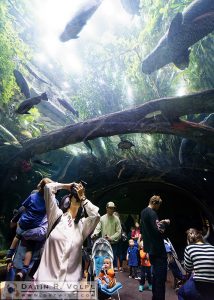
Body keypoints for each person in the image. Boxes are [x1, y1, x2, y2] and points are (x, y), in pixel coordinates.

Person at [34, 181, 100, 290]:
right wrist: (67, 186)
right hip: (45, 284)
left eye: (79, 199)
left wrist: (83, 198)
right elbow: (48, 188)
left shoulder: (83, 225)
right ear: (67, 201)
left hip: (69, 289)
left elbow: (96, 216)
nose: (77, 200)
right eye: (75, 197)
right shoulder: (56, 216)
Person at [6, 178, 53, 280]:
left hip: (23, 225)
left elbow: (22, 208)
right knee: (29, 248)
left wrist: (15, 221)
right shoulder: (47, 203)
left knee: (17, 237)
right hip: (33, 228)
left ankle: (9, 255)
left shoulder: (32, 197)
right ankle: (24, 270)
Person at [141, 195, 170, 300]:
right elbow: (159, 231)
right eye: (159, 205)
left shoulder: (143, 212)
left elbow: (151, 229)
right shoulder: (152, 213)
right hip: (158, 250)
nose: (159, 208)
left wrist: (160, 222)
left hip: (150, 249)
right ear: (155, 203)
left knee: (155, 276)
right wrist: (165, 223)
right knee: (160, 279)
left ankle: (155, 297)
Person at [177, 228, 214, 300]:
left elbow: (188, 268)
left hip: (199, 284)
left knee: (181, 292)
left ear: (188, 240)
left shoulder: (189, 248)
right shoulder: (212, 247)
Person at [92, 201, 121, 270]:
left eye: (113, 208)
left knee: (111, 261)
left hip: (113, 244)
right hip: (104, 244)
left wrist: (111, 238)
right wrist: (94, 234)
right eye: (110, 208)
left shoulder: (116, 219)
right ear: (106, 208)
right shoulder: (102, 218)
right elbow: (98, 228)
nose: (111, 209)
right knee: (104, 261)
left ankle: (111, 277)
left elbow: (119, 232)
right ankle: (104, 277)